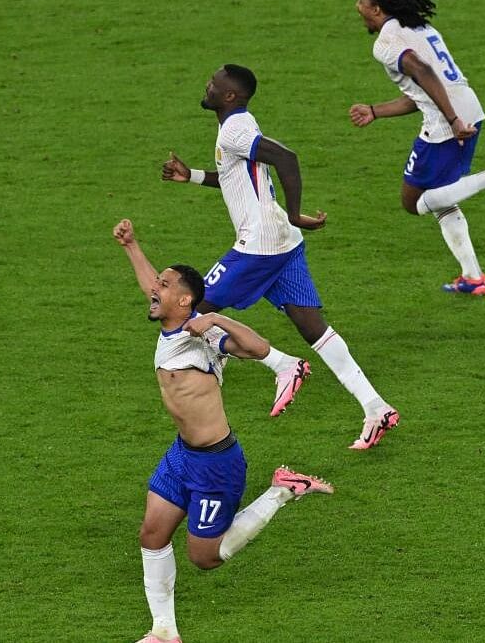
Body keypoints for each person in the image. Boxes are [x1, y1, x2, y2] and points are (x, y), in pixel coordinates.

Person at [112, 218, 334, 643]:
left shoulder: (204, 336)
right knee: (152, 533)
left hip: (217, 463)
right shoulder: (171, 322)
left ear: (186, 300)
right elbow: (150, 288)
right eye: (157, 283)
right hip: (182, 455)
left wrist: (217, 320)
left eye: (165, 285)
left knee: (206, 558)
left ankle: (282, 491)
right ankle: (163, 632)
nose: (154, 289)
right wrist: (132, 246)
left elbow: (257, 348)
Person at [162, 64, 400, 450]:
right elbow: (232, 178)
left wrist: (294, 212)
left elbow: (287, 159)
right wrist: (189, 175)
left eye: (213, 85)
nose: (206, 86)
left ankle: (280, 365)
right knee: (313, 328)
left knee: (190, 306)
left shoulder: (236, 128)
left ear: (229, 97)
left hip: (259, 244)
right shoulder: (235, 126)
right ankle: (376, 407)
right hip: (283, 243)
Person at [349, 0, 485, 296]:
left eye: (362, 1)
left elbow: (422, 71)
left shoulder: (387, 43)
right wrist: (375, 111)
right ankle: (473, 277)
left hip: (448, 124)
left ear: (377, 10)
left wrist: (452, 120)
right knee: (444, 197)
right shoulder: (420, 27)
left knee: (414, 201)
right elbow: (421, 91)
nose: (357, 5)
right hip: (468, 109)